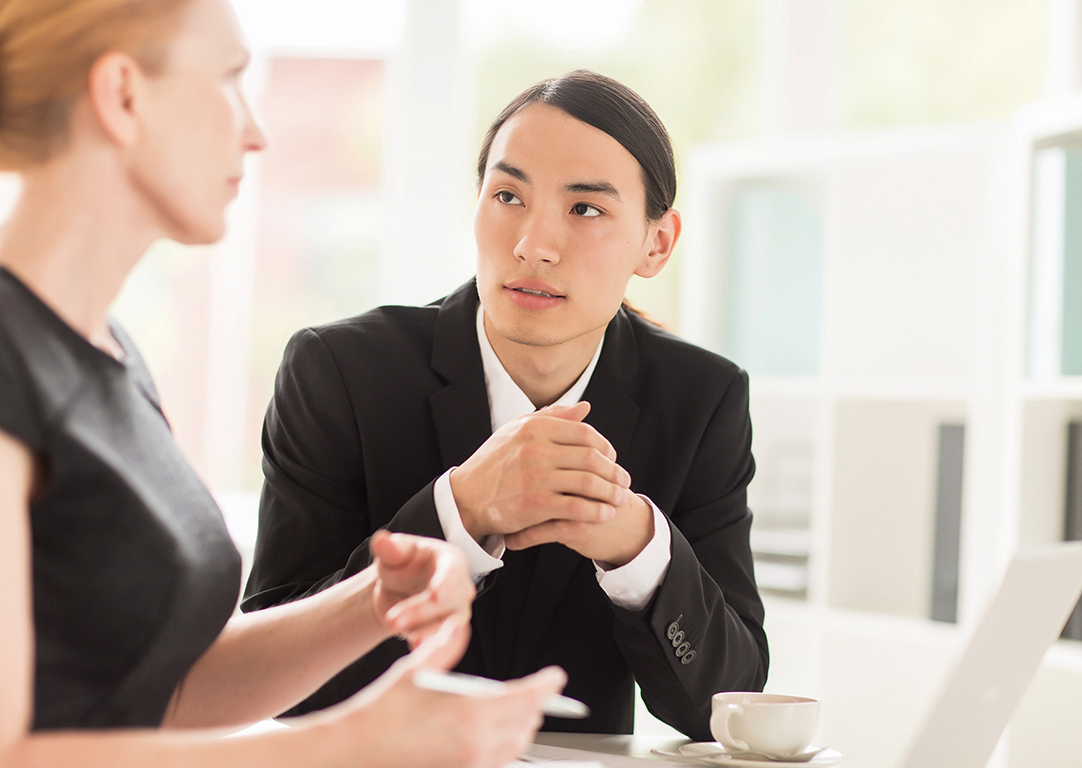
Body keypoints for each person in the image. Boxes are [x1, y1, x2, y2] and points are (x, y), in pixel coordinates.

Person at [0, 1, 566, 767]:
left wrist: (371, 604)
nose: (256, 131)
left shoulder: (108, 351)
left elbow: (167, 694)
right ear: (123, 95)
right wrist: (350, 747)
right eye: (230, 78)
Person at [242, 69, 769, 741]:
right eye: (508, 195)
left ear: (656, 243)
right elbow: (274, 679)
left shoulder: (701, 400)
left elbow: (728, 706)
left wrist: (640, 546)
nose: (532, 245)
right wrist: (458, 513)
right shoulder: (338, 373)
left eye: (584, 209)